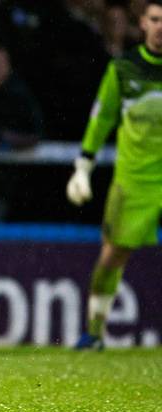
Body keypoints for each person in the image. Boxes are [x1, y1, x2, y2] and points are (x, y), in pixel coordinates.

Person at [67, 0, 162, 350]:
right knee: (113, 255)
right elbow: (102, 117)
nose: (160, 27)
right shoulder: (124, 68)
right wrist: (83, 167)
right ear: (143, 23)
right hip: (134, 179)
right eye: (155, 20)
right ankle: (94, 331)